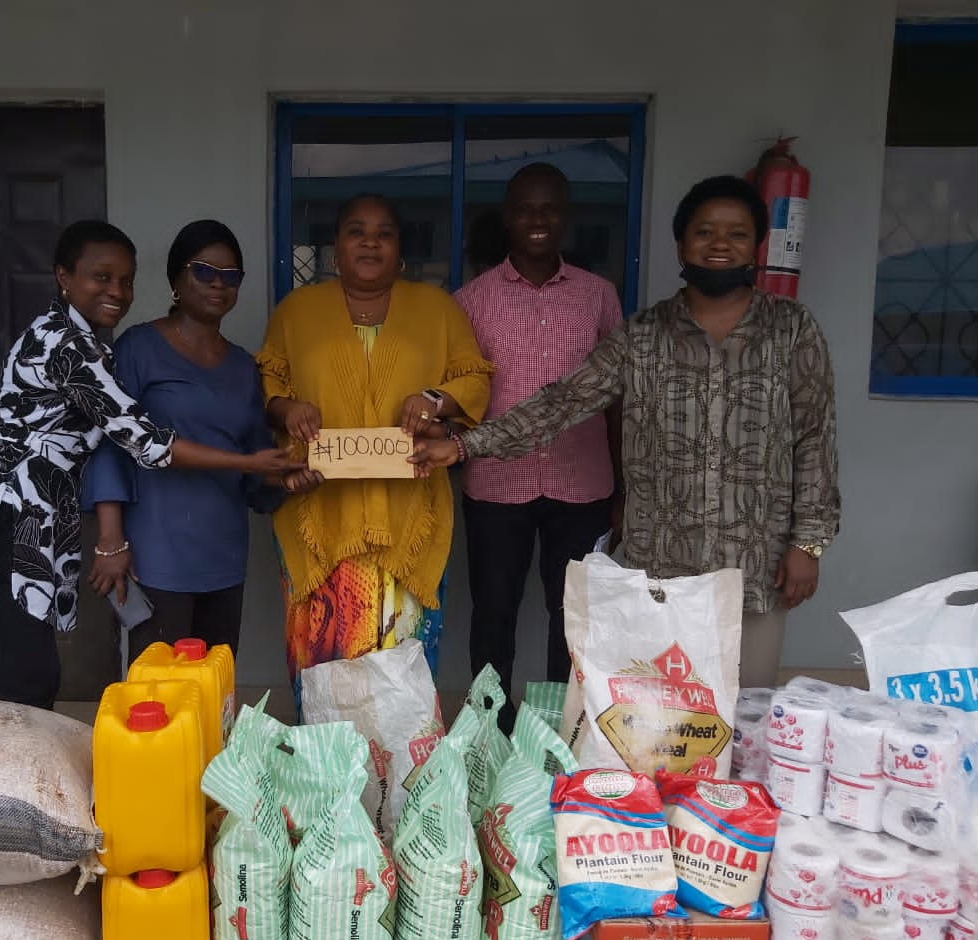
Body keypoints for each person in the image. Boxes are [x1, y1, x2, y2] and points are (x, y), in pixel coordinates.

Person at [412, 176, 840, 687]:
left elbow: (815, 437)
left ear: (757, 245)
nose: (720, 244)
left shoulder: (791, 329)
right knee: (662, 719)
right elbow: (563, 403)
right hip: (660, 565)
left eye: (737, 234)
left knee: (747, 712)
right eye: (705, 232)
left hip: (754, 562)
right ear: (681, 243)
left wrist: (808, 544)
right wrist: (464, 445)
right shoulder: (642, 335)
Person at [0, 220, 293, 709]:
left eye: (125, 280)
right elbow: (141, 440)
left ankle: (27, 775)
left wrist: (274, 473)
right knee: (25, 673)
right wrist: (246, 463)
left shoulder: (92, 345)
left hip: (38, 507)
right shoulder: (73, 346)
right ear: (64, 276)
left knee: (30, 665)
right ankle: (17, 781)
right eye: (101, 277)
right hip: (4, 503)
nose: (118, 292)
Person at [257, 193, 493, 704]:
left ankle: (401, 778)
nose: (370, 240)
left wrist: (435, 399)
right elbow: (267, 379)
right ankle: (325, 770)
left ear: (400, 250)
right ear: (336, 250)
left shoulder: (437, 309)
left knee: (400, 658)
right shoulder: (296, 311)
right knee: (323, 652)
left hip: (409, 511)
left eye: (384, 232)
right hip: (320, 510)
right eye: (355, 230)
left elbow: (474, 377)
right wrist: (286, 408)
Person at [454, 163, 624, 730]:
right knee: (494, 614)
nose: (538, 220)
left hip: (583, 485)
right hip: (497, 487)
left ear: (566, 216)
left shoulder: (597, 297)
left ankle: (556, 735)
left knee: (572, 618)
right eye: (526, 208)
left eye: (550, 208)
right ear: (508, 217)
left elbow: (617, 394)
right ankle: (488, 733)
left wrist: (624, 487)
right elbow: (459, 390)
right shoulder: (471, 301)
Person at [82, 219, 294, 658]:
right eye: (204, 271)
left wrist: (289, 477)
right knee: (160, 691)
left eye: (231, 276)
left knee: (214, 690)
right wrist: (109, 539)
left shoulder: (241, 367)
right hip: (157, 553)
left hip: (223, 552)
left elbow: (255, 464)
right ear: (177, 278)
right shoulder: (138, 348)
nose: (219, 284)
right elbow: (108, 445)